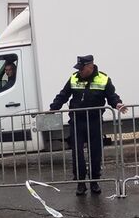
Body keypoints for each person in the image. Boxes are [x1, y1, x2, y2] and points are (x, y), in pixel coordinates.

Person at [49, 55, 127, 195]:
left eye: (82, 68)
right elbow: (63, 95)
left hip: (94, 121)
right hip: (77, 122)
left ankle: (94, 181)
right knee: (77, 153)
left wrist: (117, 104)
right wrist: (53, 108)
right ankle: (80, 183)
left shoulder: (103, 79)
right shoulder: (74, 78)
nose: (79, 71)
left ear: (90, 67)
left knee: (95, 153)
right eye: (78, 68)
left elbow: (111, 96)